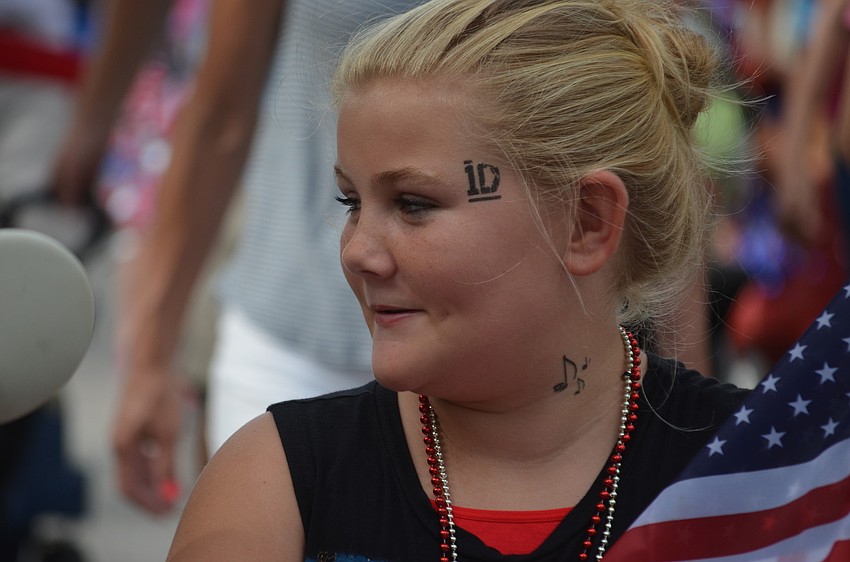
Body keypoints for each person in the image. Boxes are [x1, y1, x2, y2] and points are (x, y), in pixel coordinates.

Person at [167, 0, 750, 559]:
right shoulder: (276, 482)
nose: (357, 253)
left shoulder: (764, 471)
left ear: (586, 221)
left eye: (414, 204)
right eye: (351, 202)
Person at [51, 0, 424, 515]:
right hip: (290, 337)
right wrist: (152, 357)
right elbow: (220, 114)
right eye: (351, 205)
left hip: (505, 356)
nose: (360, 250)